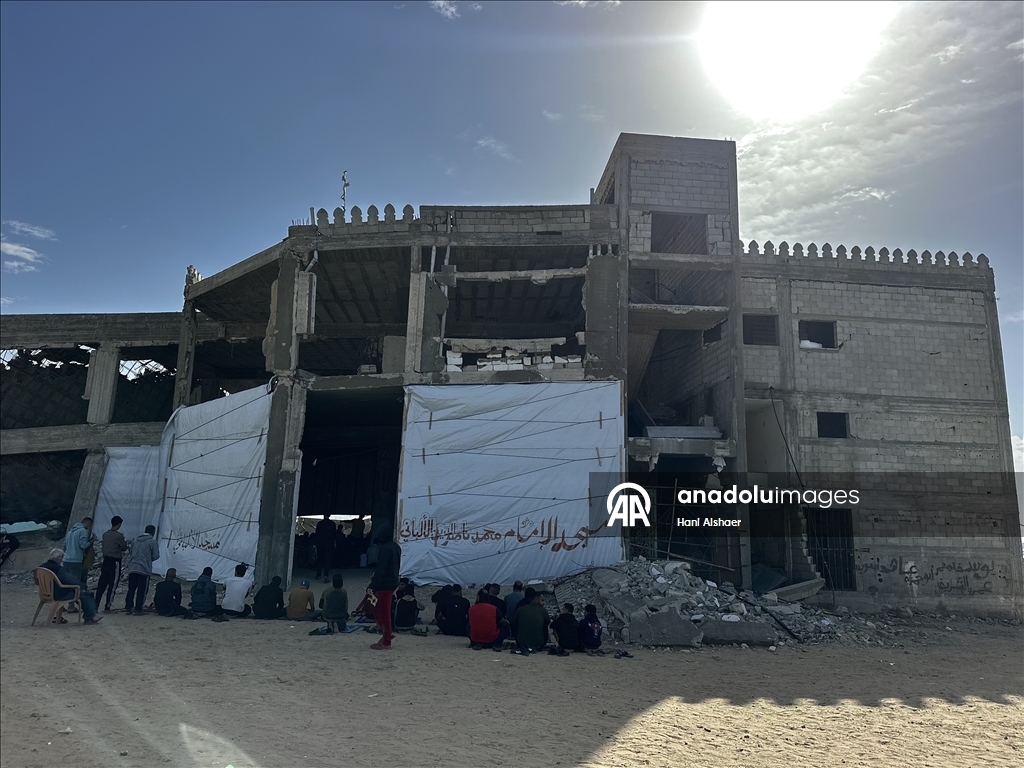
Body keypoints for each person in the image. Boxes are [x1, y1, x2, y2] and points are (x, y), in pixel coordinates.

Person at [38, 548, 102, 625]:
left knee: (80, 593)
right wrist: (84, 586)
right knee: (85, 594)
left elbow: (37, 581)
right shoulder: (58, 568)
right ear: (59, 558)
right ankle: (90, 617)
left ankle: (91, 616)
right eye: (61, 558)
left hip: (45, 594)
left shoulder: (41, 567)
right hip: (59, 594)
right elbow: (70, 580)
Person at [366, 524, 401, 650]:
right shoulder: (396, 547)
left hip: (383, 584)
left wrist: (373, 585)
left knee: (380, 611)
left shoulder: (385, 549)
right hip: (392, 582)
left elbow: (381, 569)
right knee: (381, 610)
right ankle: (386, 634)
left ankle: (386, 640)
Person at [95, 516, 128, 612]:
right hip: (115, 561)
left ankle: (96, 604)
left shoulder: (105, 534)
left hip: (106, 561)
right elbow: (124, 547)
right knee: (113, 584)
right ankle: (108, 605)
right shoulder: (119, 536)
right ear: (118, 524)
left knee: (102, 583)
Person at [124, 525, 160, 615]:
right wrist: (148, 558)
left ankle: (128, 607)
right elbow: (156, 555)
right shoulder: (152, 542)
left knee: (131, 589)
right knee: (142, 590)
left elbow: (131, 552)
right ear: (153, 532)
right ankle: (138, 609)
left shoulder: (135, 540)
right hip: (144, 569)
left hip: (132, 567)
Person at [62, 517, 93, 582]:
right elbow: (83, 545)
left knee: (66, 581)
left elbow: (64, 546)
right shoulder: (83, 531)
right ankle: (74, 592)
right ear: (87, 523)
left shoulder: (70, 532)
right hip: (76, 560)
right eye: (90, 525)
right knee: (75, 582)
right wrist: (91, 541)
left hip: (66, 559)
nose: (89, 528)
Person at [314, 514, 335, 583]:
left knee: (319, 558)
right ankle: (326, 574)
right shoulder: (332, 524)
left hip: (320, 543)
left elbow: (316, 534)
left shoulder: (319, 524)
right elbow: (333, 534)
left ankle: (318, 574)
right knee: (327, 559)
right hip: (329, 543)